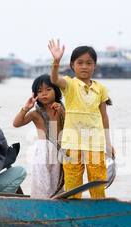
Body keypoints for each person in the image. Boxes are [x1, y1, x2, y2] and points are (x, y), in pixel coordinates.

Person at [48, 39, 114, 198]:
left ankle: (98, 212)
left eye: (89, 63)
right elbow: (55, 80)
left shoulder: (100, 89)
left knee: (98, 182)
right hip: (71, 143)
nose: (84, 66)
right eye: (80, 62)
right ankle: (73, 213)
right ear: (72, 65)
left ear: (94, 65)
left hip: (95, 143)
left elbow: (104, 117)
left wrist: (108, 144)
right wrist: (56, 62)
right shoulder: (70, 85)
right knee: (72, 184)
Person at [13, 74, 65, 198]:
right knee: (42, 182)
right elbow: (16, 123)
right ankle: (40, 202)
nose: (44, 94)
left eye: (48, 89)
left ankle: (57, 203)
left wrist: (63, 112)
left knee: (57, 180)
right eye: (39, 91)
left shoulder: (62, 109)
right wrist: (26, 108)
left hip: (59, 149)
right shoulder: (35, 113)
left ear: (56, 91)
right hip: (43, 150)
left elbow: (72, 126)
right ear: (35, 95)